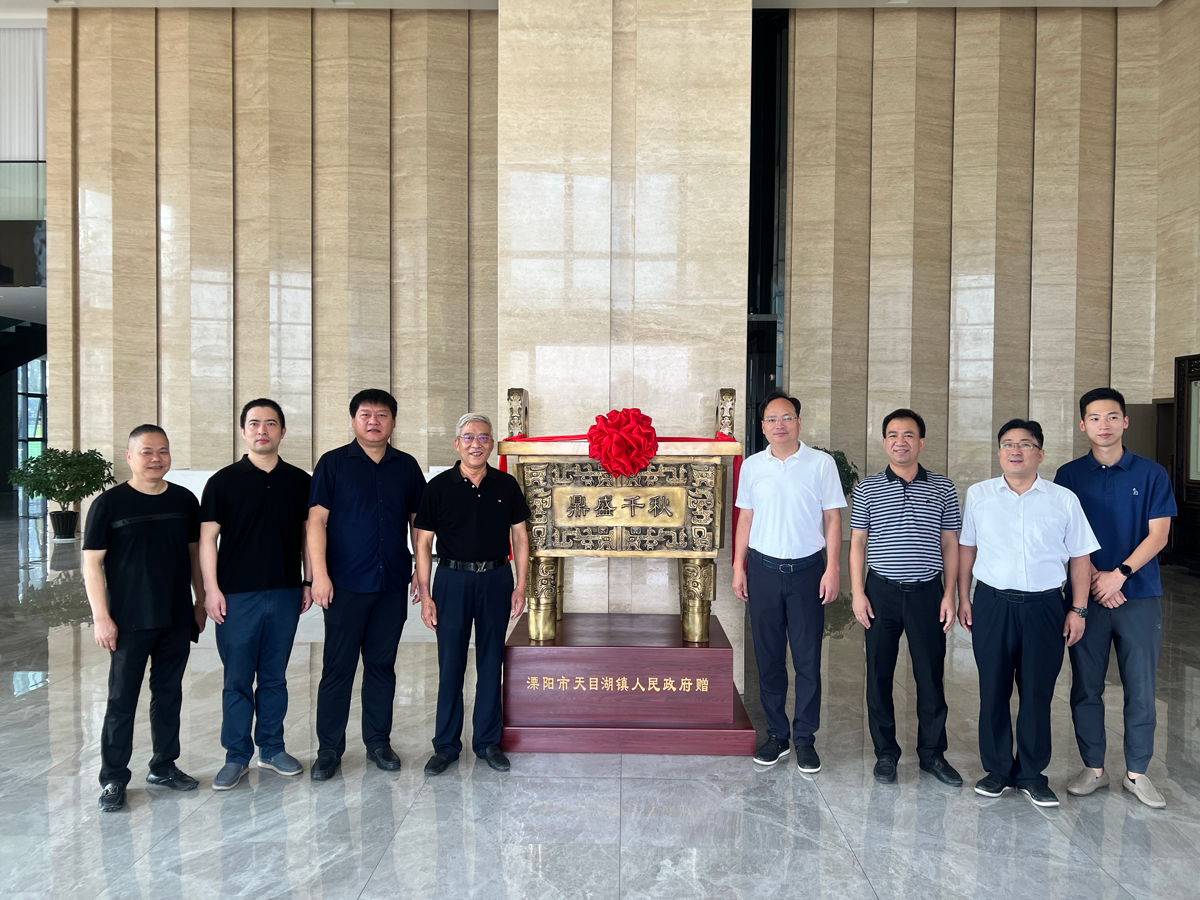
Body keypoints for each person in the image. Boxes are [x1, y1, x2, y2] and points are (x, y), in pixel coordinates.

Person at [957, 419, 1099, 808]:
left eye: (1025, 444)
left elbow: (1080, 557)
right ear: (999, 452)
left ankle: (1032, 774)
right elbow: (967, 549)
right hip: (992, 604)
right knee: (993, 689)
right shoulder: (979, 495)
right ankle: (997, 770)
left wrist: (1078, 609)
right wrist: (963, 597)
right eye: (1007, 444)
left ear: (1040, 453)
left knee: (1037, 691)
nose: (1015, 450)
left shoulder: (1063, 499)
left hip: (1045, 607)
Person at [1055, 388, 1176, 808]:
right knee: (1086, 685)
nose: (1103, 425)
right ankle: (1093, 768)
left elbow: (1158, 535)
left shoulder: (1152, 473)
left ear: (1125, 421)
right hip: (1086, 596)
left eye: (1111, 417)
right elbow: (1065, 535)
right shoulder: (1069, 475)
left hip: (1138, 594)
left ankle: (1137, 772)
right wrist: (1096, 582)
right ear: (1082, 424)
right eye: (1094, 418)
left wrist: (1119, 576)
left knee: (1140, 686)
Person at [83, 425, 207, 811]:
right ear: (129, 457)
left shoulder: (184, 500)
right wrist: (101, 617)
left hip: (175, 616)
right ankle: (113, 778)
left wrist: (200, 601)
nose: (156, 458)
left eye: (163, 451)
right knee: (122, 700)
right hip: (128, 620)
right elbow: (91, 564)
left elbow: (194, 555)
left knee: (168, 695)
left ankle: (164, 766)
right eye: (147, 451)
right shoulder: (109, 504)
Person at [307, 389, 425, 781]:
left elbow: (418, 525)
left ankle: (378, 743)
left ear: (393, 421)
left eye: (381, 415)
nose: (373, 421)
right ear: (353, 420)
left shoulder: (406, 466)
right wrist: (319, 575)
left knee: (381, 666)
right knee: (337, 668)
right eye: (365, 414)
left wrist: (420, 572)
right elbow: (316, 521)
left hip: (391, 582)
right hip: (344, 584)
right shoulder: (333, 463)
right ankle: (329, 750)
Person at [200, 399, 313, 790]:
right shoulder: (223, 482)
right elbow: (207, 540)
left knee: (274, 677)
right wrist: (211, 590)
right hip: (236, 596)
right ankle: (236, 755)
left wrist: (308, 581)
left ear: (283, 431)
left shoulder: (299, 481)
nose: (262, 430)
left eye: (270, 423)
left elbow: (308, 535)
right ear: (243, 431)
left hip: (284, 592)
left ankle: (271, 748)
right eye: (254, 423)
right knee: (236, 679)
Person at [733, 390, 846, 774]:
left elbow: (832, 518)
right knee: (768, 659)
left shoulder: (821, 464)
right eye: (771, 419)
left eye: (786, 418)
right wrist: (738, 567)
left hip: (807, 572)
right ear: (763, 426)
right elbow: (745, 518)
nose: (779, 425)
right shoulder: (753, 466)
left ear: (798, 421)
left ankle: (805, 739)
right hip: (762, 570)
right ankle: (778, 735)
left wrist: (833, 568)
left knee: (807, 658)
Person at [850, 409, 963, 786]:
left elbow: (951, 543)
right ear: (885, 442)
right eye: (894, 435)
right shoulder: (867, 488)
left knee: (930, 676)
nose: (901, 441)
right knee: (878, 674)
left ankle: (932, 754)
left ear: (921, 442)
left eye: (909, 435)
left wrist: (950, 594)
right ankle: (886, 753)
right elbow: (858, 543)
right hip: (880, 592)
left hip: (927, 593)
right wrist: (857, 593)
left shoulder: (943, 487)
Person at [413, 413, 531, 775]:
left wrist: (520, 585)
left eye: (482, 437)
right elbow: (423, 543)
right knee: (451, 663)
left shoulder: (506, 485)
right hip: (452, 581)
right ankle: (446, 745)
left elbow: (520, 537)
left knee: (491, 661)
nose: (475, 444)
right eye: (468, 437)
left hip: (496, 579)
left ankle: (487, 742)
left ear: (491, 444)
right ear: (456, 444)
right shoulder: (437, 488)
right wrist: (426, 594)